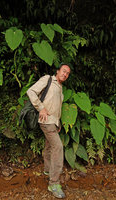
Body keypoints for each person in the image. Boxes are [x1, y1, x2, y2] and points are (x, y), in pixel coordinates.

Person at [27, 63, 71, 198]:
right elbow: (31, 91)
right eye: (63, 71)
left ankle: (47, 170)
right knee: (58, 147)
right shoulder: (48, 79)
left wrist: (58, 124)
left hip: (53, 123)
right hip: (46, 121)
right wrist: (41, 108)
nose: (65, 74)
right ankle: (54, 183)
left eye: (67, 73)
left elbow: (56, 107)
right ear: (57, 71)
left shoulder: (60, 88)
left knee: (49, 146)